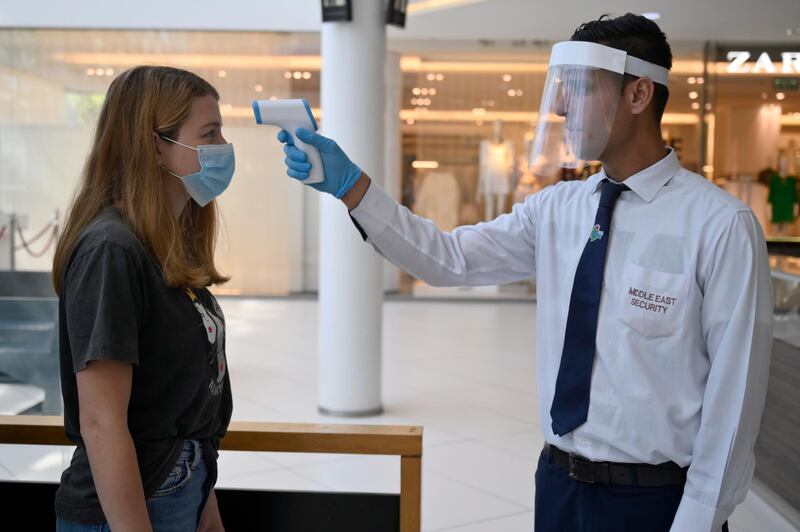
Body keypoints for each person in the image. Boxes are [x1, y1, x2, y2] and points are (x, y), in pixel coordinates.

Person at [278, 14, 773, 532]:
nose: (560, 107)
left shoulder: (720, 225)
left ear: (639, 94)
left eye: (578, 88)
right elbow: (449, 259)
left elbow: (734, 400)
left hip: (654, 502)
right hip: (557, 483)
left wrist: (697, 521)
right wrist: (353, 187)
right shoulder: (558, 209)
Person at [52, 66, 234, 531]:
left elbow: (180, 409)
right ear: (156, 144)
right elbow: (102, 421)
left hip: (177, 494)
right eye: (209, 133)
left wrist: (204, 506)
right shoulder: (111, 250)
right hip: (130, 509)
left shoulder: (167, 245)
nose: (223, 148)